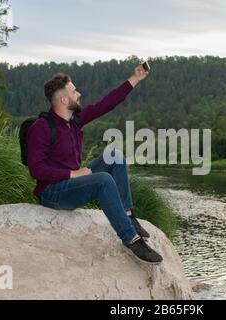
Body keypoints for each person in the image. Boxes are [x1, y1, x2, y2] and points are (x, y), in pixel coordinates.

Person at [26, 64, 163, 264]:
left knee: (114, 156)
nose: (79, 94)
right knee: (103, 180)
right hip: (53, 193)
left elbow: (106, 103)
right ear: (64, 99)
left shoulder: (74, 121)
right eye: (74, 91)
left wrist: (135, 79)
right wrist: (73, 174)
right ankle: (132, 240)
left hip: (71, 184)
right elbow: (36, 169)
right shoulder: (42, 127)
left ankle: (128, 216)